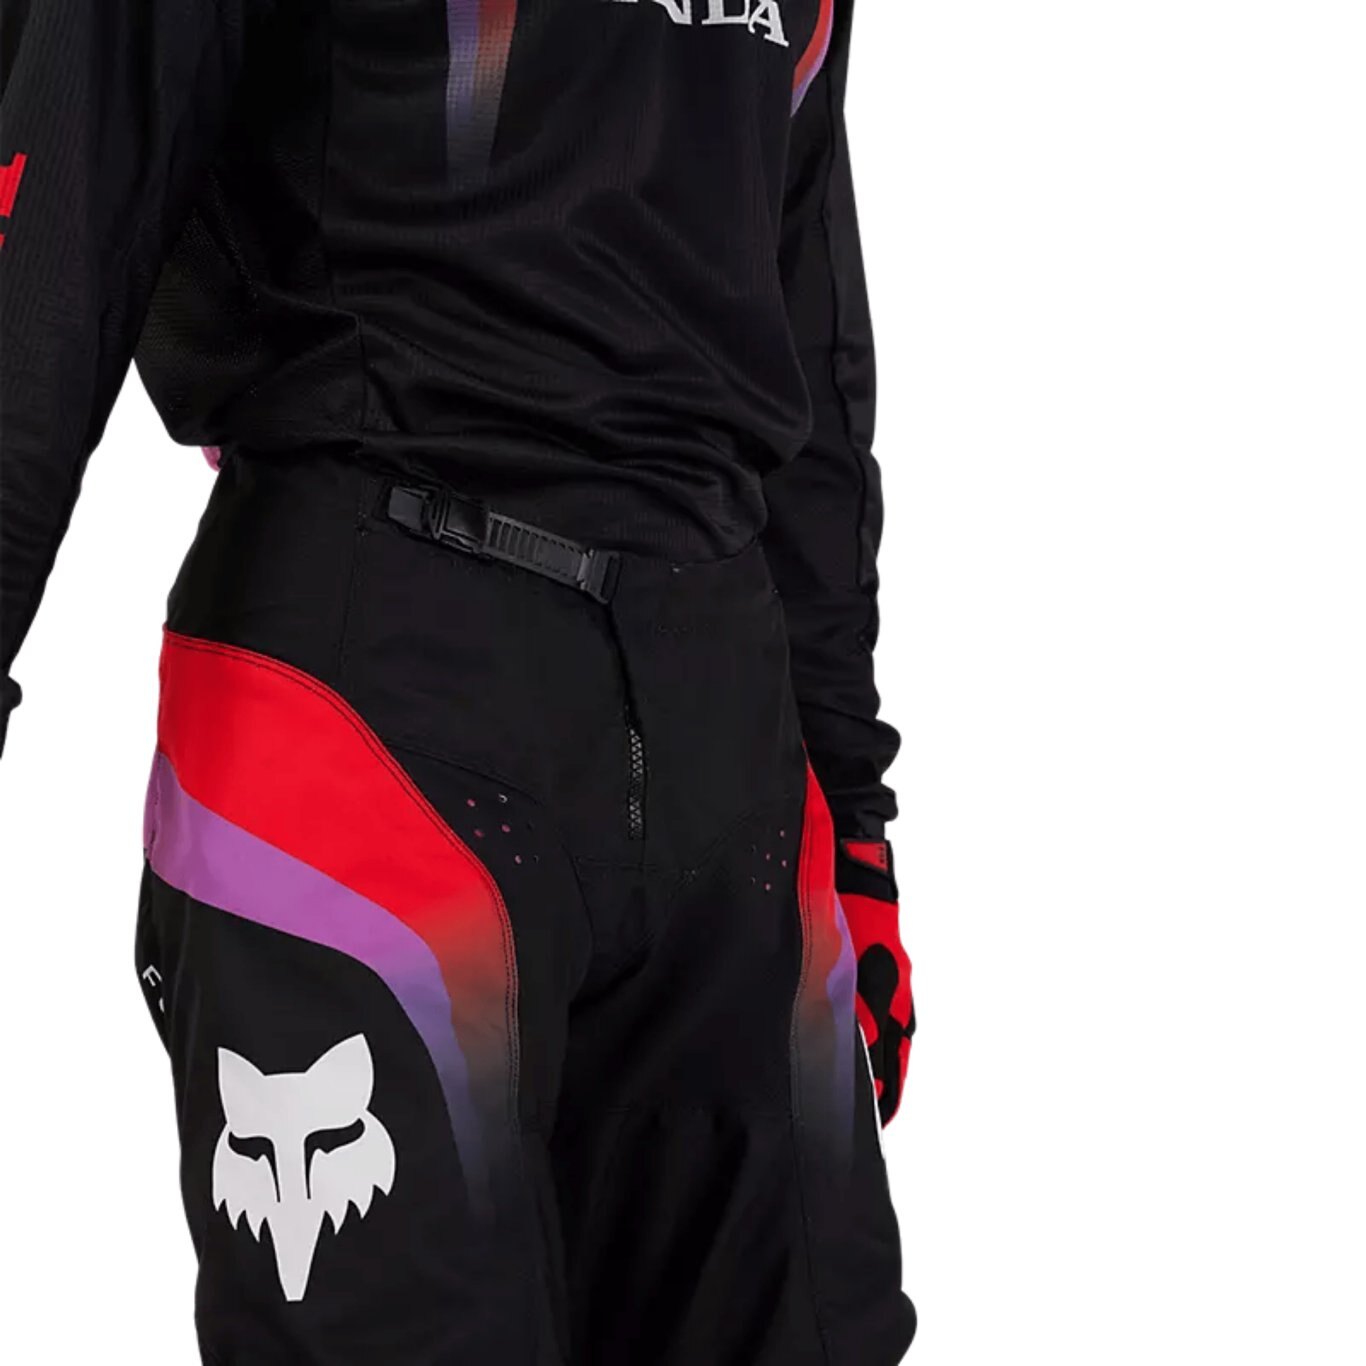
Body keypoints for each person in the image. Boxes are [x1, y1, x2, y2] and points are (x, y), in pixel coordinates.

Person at [0, 0, 916, 1359]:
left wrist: (852, 813)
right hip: (372, 697)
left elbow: (798, 320)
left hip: (729, 727)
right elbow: (56, 215)